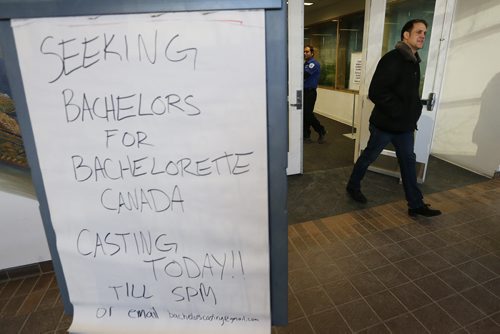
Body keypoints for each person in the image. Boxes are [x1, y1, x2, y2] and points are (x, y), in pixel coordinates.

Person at [345, 19, 441, 217]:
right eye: (419, 32)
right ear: (406, 35)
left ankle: (415, 205)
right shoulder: (393, 59)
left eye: (425, 32)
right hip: (385, 125)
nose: (423, 35)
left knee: (408, 162)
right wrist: (400, 112)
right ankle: (353, 186)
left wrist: (412, 112)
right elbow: (376, 92)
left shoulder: (414, 60)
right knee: (369, 156)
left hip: (404, 127)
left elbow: (409, 94)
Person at [303, 45, 327, 144]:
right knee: (304, 114)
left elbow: (304, 75)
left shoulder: (313, 64)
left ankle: (321, 130)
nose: (305, 53)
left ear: (312, 53)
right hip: (303, 92)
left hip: (310, 92)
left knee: (308, 113)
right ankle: (306, 135)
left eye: (307, 51)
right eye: (304, 51)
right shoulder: (306, 64)